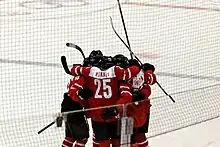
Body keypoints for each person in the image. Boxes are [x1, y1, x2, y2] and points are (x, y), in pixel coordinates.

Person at [69, 54, 140, 147]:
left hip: (97, 117)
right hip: (115, 116)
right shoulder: (116, 71)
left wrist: (79, 94)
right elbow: (128, 78)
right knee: (118, 142)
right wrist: (136, 66)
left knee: (103, 143)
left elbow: (75, 71)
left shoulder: (90, 72)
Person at [113, 54, 157, 147]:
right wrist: (149, 70)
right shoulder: (144, 76)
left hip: (129, 112)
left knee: (129, 138)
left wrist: (116, 108)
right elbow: (151, 80)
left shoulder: (126, 79)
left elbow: (126, 96)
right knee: (140, 135)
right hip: (144, 111)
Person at [60, 57, 94, 147]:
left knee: (70, 136)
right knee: (82, 137)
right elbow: (74, 92)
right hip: (74, 108)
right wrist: (79, 94)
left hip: (66, 105)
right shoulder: (83, 78)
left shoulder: (78, 74)